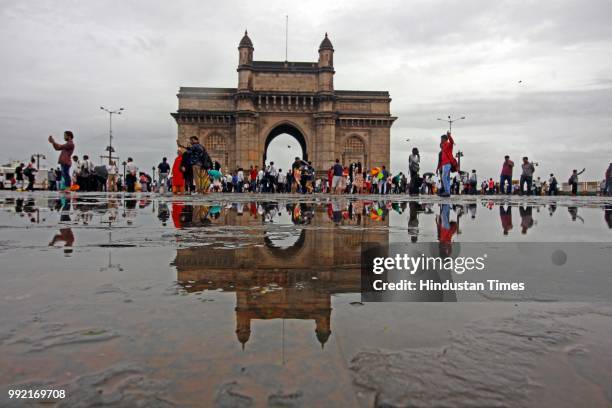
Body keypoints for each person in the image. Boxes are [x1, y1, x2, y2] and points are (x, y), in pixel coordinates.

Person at [437, 132, 455, 197]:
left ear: (444, 139)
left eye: (441, 139)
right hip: (445, 164)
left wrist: (449, 136)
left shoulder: (448, 144)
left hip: (447, 163)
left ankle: (447, 191)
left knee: (444, 177)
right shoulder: (444, 146)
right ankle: (448, 192)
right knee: (446, 178)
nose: (440, 140)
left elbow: (452, 142)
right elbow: (442, 158)